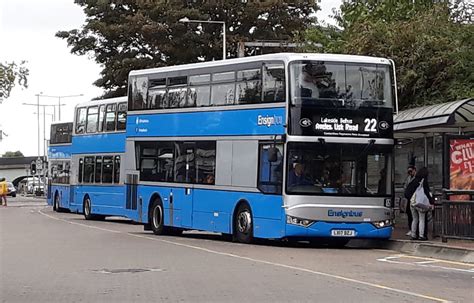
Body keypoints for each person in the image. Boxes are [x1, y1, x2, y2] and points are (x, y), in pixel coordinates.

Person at [404, 167, 434, 241]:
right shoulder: (424, 181)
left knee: (414, 219)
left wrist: (411, 199)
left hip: (412, 202)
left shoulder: (414, 180)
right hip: (420, 203)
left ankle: (413, 234)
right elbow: (427, 192)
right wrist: (431, 202)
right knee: (422, 219)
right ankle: (421, 235)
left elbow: (407, 192)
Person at [403, 165, 416, 236]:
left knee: (414, 215)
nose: (410, 173)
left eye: (411, 171)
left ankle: (414, 230)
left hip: (414, 198)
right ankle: (411, 229)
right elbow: (405, 186)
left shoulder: (416, 178)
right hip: (409, 199)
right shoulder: (408, 178)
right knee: (409, 214)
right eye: (408, 172)